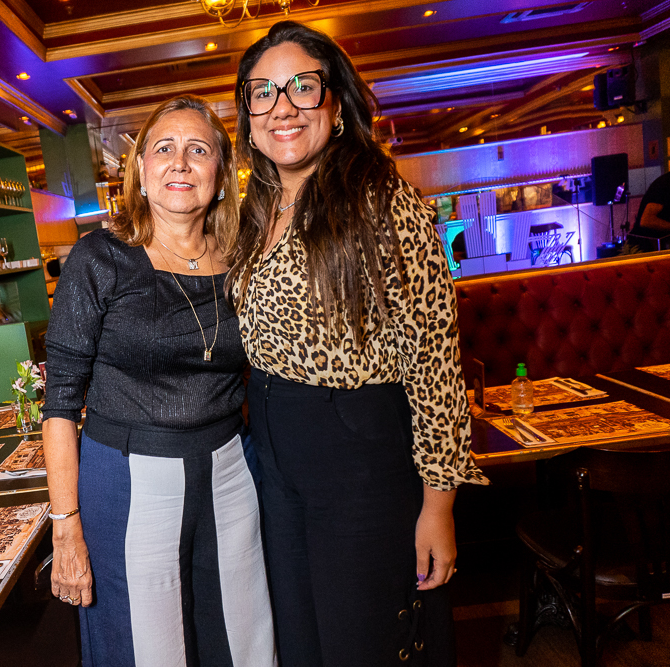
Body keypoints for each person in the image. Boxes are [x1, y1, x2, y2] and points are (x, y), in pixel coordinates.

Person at [227, 22, 488, 666]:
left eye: (302, 87)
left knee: (363, 642)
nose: (282, 106)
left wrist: (438, 505)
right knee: (302, 639)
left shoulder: (382, 200)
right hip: (275, 443)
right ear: (248, 119)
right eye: (263, 92)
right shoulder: (255, 209)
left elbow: (435, 361)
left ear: (337, 103)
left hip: (355, 450)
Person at [42, 95, 276, 667]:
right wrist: (65, 528)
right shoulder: (100, 259)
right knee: (147, 647)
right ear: (141, 172)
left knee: (242, 634)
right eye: (164, 148)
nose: (180, 162)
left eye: (198, 150)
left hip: (230, 471)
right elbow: (61, 402)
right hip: (129, 479)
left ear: (220, 176)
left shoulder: (245, 259)